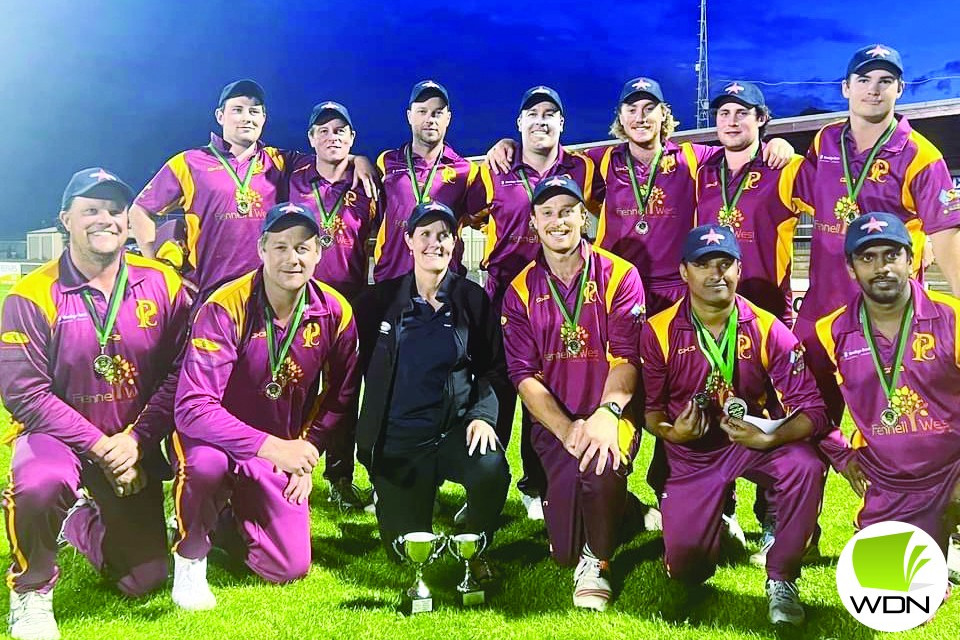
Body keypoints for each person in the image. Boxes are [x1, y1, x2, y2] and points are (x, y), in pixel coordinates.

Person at [0, 168, 190, 640]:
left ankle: (81, 522)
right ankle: (31, 591)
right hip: (60, 441)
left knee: (144, 580)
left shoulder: (163, 284)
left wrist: (137, 441)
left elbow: (181, 373)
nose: (104, 219)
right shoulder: (31, 294)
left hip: (132, 443)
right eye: (91, 210)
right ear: (66, 219)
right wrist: (103, 447)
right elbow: (25, 392)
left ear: (128, 223)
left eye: (114, 211)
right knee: (39, 482)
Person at [170, 202, 359, 610]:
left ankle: (222, 520)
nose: (293, 258)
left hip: (281, 448)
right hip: (215, 440)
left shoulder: (337, 311)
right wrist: (274, 448)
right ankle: (190, 556)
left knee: (287, 568)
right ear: (261, 249)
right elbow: (192, 407)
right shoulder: (225, 306)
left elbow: (340, 397)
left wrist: (306, 454)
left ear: (319, 252)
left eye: (303, 248)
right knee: (205, 468)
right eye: (281, 247)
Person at [639, 225, 829, 626]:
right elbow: (652, 411)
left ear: (739, 270)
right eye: (703, 264)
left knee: (804, 464)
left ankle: (782, 576)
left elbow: (814, 410)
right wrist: (673, 433)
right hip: (690, 453)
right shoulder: (657, 331)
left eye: (725, 264)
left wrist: (771, 434)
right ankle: (711, 526)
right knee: (687, 572)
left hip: (748, 442)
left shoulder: (767, 328)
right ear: (683, 272)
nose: (715, 274)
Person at [794, 44, 960, 426]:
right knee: (805, 425)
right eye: (864, 80)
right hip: (822, 310)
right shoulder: (825, 141)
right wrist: (779, 148)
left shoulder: (921, 155)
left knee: (905, 426)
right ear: (845, 88)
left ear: (899, 90)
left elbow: (947, 234)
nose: (874, 89)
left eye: (885, 81)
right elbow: (798, 189)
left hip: (890, 319)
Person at [501, 176, 645, 611]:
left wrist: (607, 413)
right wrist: (566, 429)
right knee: (560, 550)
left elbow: (626, 359)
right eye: (548, 212)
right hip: (557, 423)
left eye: (568, 210)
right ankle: (629, 512)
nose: (558, 220)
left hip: (610, 411)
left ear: (584, 217)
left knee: (600, 460)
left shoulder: (621, 274)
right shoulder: (519, 290)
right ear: (534, 223)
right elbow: (524, 377)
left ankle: (596, 563)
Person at [355, 200, 509, 571]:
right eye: (424, 234)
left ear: (455, 243)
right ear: (408, 240)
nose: (434, 243)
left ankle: (477, 548)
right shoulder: (377, 303)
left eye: (444, 236)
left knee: (492, 468)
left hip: (453, 433)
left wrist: (483, 417)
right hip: (400, 442)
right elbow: (350, 375)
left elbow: (493, 368)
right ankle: (402, 494)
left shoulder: (472, 298)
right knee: (404, 556)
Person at [469, 86, 601, 520]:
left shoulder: (582, 168)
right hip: (503, 294)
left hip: (562, 296)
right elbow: (460, 213)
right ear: (519, 124)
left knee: (544, 388)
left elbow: (611, 207)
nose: (541, 120)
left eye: (550, 114)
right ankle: (484, 481)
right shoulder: (495, 168)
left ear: (562, 124)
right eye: (532, 114)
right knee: (497, 389)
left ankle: (535, 482)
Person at [129, 79, 377, 303]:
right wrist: (160, 270)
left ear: (264, 118)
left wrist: (359, 159)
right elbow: (140, 210)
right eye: (237, 110)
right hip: (210, 293)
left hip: (270, 296)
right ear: (220, 116)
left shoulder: (279, 161)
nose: (246, 118)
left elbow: (329, 156)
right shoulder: (189, 162)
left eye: (254, 111)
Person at [588, 76, 795, 316]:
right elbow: (557, 168)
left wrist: (777, 143)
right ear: (621, 118)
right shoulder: (600, 161)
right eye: (631, 109)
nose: (640, 117)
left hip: (679, 288)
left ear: (663, 114)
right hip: (618, 286)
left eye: (649, 108)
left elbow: (739, 147)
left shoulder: (693, 158)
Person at [814, 212, 960, 552]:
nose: (882, 267)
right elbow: (811, 403)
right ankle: (934, 547)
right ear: (851, 268)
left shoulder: (953, 318)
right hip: (889, 479)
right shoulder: (830, 333)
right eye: (868, 258)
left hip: (952, 468)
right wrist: (841, 454)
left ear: (911, 260)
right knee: (887, 596)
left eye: (892, 255)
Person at [287, 100, 378, 510]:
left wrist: (363, 163)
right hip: (300, 299)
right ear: (311, 139)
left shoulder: (367, 186)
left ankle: (340, 479)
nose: (332, 136)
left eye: (341, 130)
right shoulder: (291, 177)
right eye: (323, 130)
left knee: (344, 390)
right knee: (296, 385)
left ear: (352, 138)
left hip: (350, 300)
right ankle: (287, 468)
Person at [695, 81, 808, 324]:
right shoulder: (702, 171)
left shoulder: (786, 167)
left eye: (742, 113)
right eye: (724, 113)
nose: (731, 121)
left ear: (762, 117)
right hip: (710, 311)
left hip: (767, 311)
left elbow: (834, 213)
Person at [372, 80, 478, 283]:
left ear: (448, 118)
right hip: (391, 281)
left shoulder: (466, 171)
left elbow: (488, 219)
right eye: (422, 111)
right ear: (409, 116)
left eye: (437, 112)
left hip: (444, 285)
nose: (430, 119)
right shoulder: (385, 162)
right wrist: (356, 159)